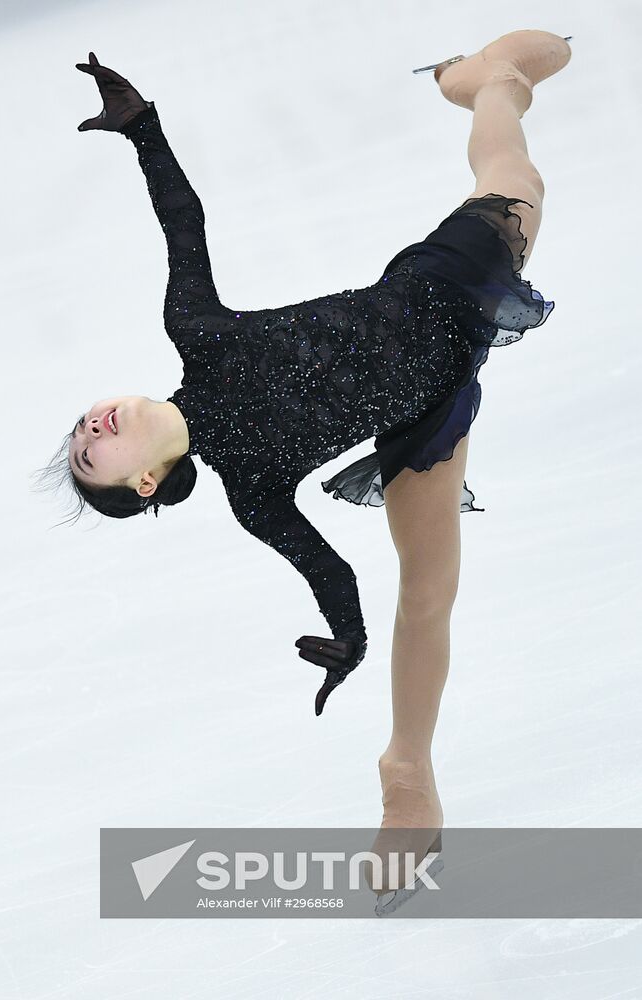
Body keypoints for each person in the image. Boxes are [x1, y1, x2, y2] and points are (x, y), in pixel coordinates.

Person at [32, 33, 570, 849]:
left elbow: (184, 218)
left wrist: (142, 126)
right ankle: (407, 775)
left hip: (436, 289)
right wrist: (346, 641)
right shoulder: (252, 492)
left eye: (80, 423)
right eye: (86, 455)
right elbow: (333, 572)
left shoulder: (195, 331)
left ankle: (490, 79)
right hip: (423, 413)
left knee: (515, 177)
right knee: (426, 593)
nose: (89, 428)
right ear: (143, 484)